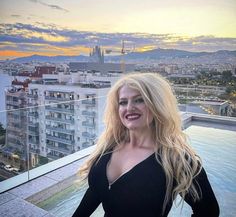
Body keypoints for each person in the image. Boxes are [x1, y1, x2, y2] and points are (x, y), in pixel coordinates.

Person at [72, 72, 219, 217]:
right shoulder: (108, 146)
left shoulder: (176, 159)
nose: (129, 108)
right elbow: (95, 191)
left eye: (139, 100)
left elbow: (209, 212)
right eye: (123, 102)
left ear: (157, 105)